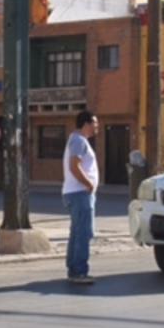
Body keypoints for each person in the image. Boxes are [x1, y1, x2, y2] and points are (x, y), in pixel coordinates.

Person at [62, 110, 99, 285]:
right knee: (83, 233)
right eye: (95, 123)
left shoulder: (77, 139)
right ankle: (79, 272)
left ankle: (73, 269)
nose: (97, 126)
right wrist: (88, 184)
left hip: (75, 193)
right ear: (86, 124)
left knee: (77, 232)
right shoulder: (78, 140)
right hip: (80, 194)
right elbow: (74, 166)